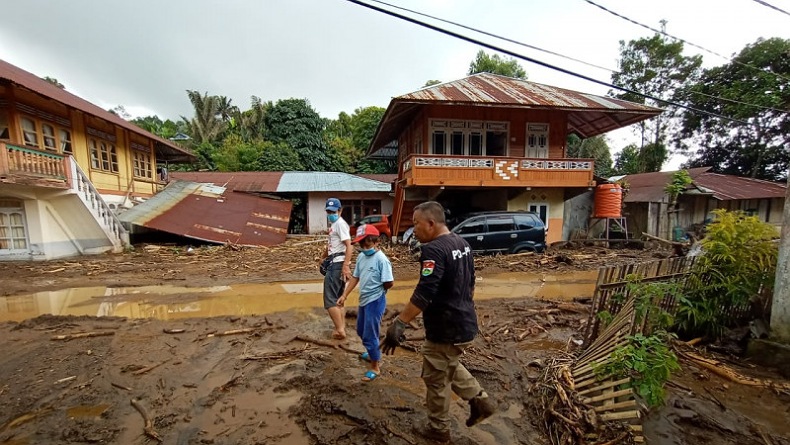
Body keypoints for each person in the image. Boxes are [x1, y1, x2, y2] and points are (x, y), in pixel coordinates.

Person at [381, 201, 496, 443]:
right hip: (465, 323)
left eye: (416, 224)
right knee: (447, 362)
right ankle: (480, 400)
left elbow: (425, 293)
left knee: (436, 378)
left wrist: (399, 323)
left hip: (446, 329)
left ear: (431, 223)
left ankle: (438, 430)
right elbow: (471, 283)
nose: (414, 230)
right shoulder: (462, 244)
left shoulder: (433, 250)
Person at [336, 223, 394, 382]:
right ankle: (371, 352)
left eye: (367, 243)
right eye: (361, 244)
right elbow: (356, 277)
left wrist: (379, 290)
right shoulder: (362, 257)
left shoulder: (382, 260)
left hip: (376, 301)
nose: (364, 247)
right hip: (364, 300)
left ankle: (375, 366)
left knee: (370, 334)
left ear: (376, 242)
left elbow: (389, 282)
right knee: (361, 330)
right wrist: (344, 295)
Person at [320, 197, 353, 340]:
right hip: (335, 262)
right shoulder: (335, 225)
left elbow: (349, 246)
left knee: (329, 300)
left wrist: (345, 266)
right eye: (328, 211)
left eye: (333, 211)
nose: (330, 214)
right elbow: (332, 245)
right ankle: (341, 327)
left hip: (337, 265)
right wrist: (323, 257)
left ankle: (339, 330)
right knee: (339, 298)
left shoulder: (340, 224)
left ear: (340, 211)